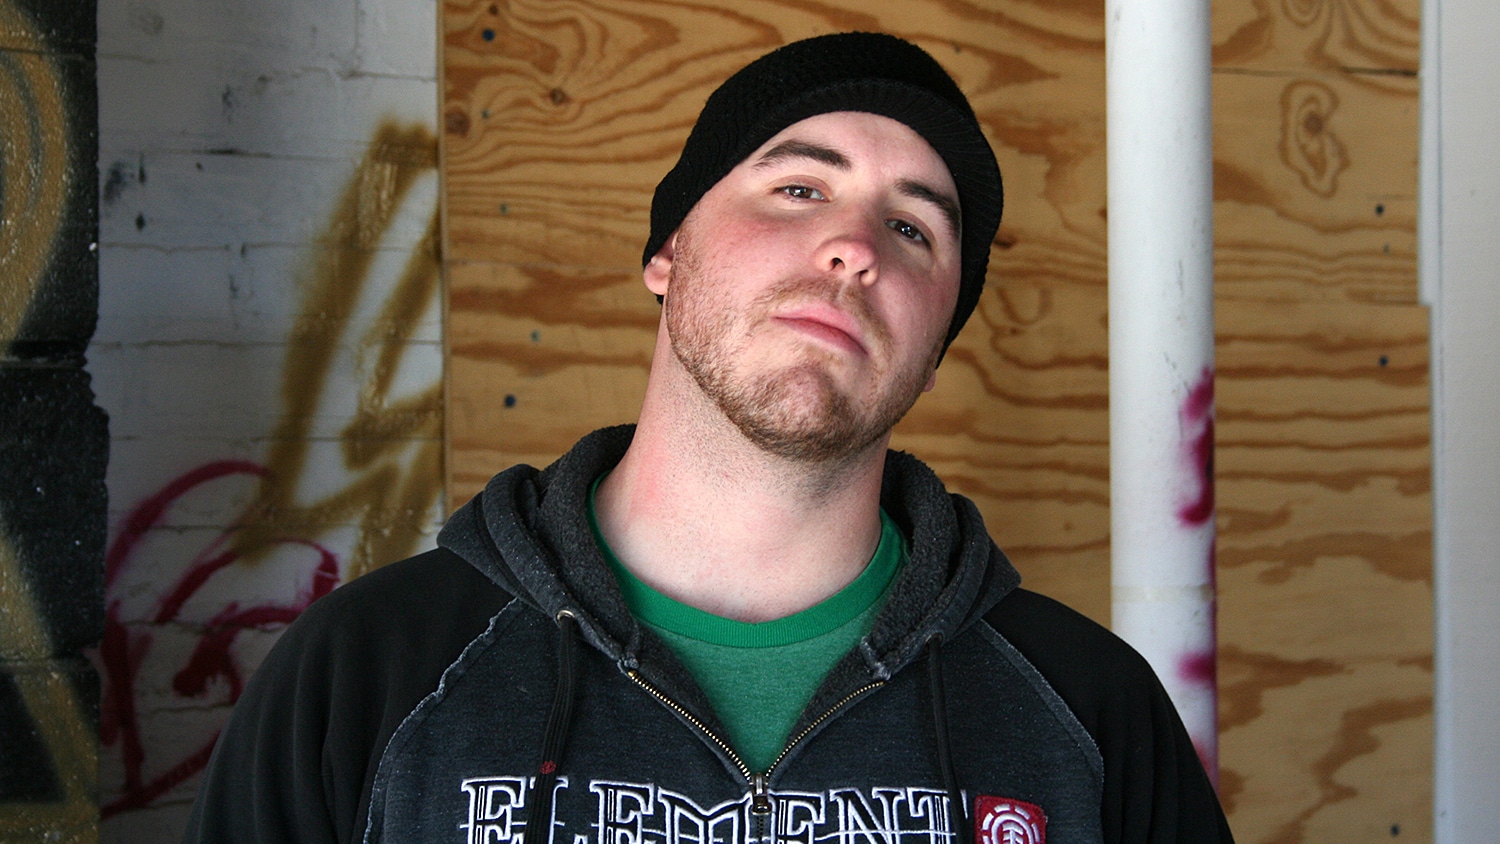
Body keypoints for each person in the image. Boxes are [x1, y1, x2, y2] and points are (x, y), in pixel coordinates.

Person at [184, 31, 1233, 844]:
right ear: (669, 251)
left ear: (933, 344)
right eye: (799, 188)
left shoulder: (1088, 712)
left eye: (914, 228)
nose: (853, 247)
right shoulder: (369, 675)